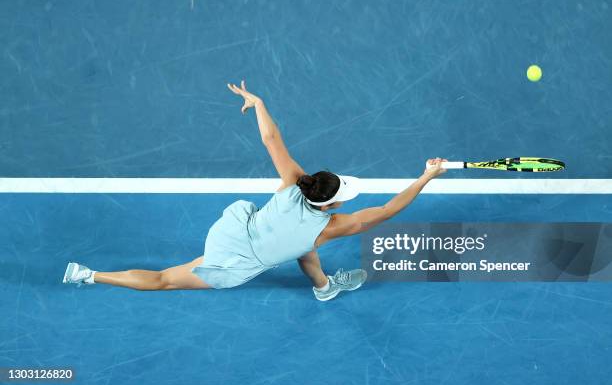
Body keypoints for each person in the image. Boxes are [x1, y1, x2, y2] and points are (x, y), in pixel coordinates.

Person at [63, 81, 447, 301]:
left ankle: (324, 288)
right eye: (345, 195)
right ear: (332, 203)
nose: (347, 199)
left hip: (231, 234)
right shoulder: (334, 226)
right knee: (164, 280)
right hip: (233, 264)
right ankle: (92, 276)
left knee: (305, 247)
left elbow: (270, 138)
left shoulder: (295, 181)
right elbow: (390, 209)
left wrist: (258, 102)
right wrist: (425, 177)